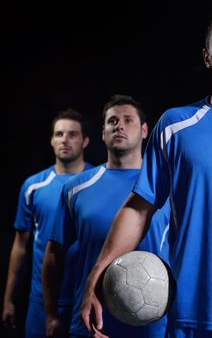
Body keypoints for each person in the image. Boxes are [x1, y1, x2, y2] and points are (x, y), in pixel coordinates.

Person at [80, 0, 212, 338]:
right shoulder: (176, 126)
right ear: (207, 56)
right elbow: (139, 208)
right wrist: (95, 278)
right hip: (194, 315)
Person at [42, 94, 170, 337]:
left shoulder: (168, 187)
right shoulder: (75, 188)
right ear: (102, 133)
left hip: (153, 327)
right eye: (112, 121)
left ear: (144, 131)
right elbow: (53, 255)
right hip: (92, 325)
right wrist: (51, 315)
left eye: (128, 120)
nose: (119, 125)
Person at [2, 108, 94, 337]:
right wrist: (8, 299)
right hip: (41, 302)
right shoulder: (33, 187)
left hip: (85, 299)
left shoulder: (97, 181)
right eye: (59, 134)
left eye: (73, 134)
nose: (65, 139)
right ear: (52, 140)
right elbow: (20, 247)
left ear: (85, 141)